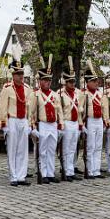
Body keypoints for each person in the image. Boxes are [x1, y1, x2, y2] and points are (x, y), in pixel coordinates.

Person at [0, 54, 33, 186]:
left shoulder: (27, 89)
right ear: (13, 75)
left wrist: (30, 123)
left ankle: (21, 176)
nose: (20, 76)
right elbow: (2, 107)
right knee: (12, 149)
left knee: (23, 149)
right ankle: (13, 176)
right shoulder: (7, 89)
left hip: (23, 120)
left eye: (21, 73)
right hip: (12, 120)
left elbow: (29, 107)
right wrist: (3, 123)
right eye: (18, 73)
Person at [29, 56, 64, 184]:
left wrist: (61, 125)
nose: (47, 82)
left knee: (51, 150)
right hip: (42, 124)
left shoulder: (55, 95)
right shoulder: (35, 95)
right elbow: (30, 112)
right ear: (40, 81)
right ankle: (42, 173)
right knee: (42, 151)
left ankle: (50, 173)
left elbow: (59, 111)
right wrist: (32, 127)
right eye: (45, 80)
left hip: (53, 125)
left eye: (49, 80)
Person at [79, 61, 104, 179]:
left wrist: (105, 121)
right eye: (93, 81)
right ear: (88, 82)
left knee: (98, 146)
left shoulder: (99, 94)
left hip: (99, 121)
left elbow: (104, 109)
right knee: (90, 147)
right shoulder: (84, 94)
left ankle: (96, 170)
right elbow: (79, 110)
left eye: (96, 81)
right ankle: (89, 170)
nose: (96, 83)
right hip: (90, 121)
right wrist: (81, 124)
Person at [58, 58, 82, 181]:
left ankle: (71, 170)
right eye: (70, 82)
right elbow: (59, 111)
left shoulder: (77, 94)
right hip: (66, 123)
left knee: (72, 148)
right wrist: (61, 125)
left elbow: (79, 110)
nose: (73, 84)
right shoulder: (60, 94)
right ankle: (65, 171)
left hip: (74, 123)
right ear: (65, 82)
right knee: (66, 149)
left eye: (74, 81)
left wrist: (80, 124)